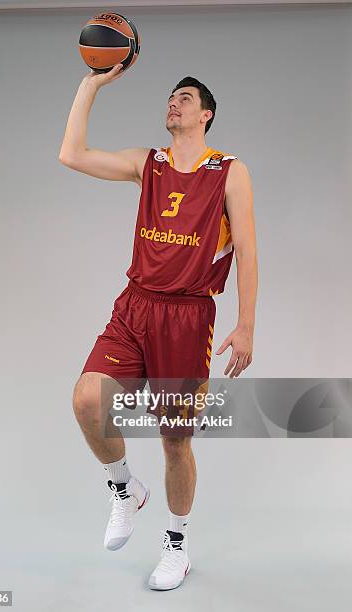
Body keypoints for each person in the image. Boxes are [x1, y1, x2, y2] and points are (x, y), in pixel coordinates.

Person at [59, 63, 258, 590]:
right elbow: (71, 154)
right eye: (171, 97)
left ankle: (176, 545)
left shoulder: (229, 172)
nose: (174, 103)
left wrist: (246, 324)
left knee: (176, 441)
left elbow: (250, 253)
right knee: (86, 400)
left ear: (206, 114)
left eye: (186, 98)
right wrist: (92, 84)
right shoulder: (149, 165)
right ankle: (125, 489)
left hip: (189, 317)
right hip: (136, 305)